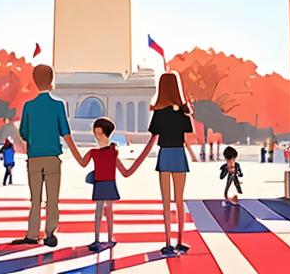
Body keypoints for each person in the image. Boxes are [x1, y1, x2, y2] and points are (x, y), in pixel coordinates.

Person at [12, 64, 81, 248]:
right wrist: (79, 156)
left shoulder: (29, 106)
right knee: (52, 198)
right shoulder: (58, 105)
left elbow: (24, 133)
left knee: (35, 199)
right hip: (52, 158)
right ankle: (50, 232)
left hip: (34, 158)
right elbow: (65, 133)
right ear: (51, 80)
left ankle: (32, 233)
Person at [142, 70, 199, 256]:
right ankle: (180, 241)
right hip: (179, 154)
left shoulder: (158, 113)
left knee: (166, 202)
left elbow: (153, 137)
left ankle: (167, 242)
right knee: (179, 200)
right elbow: (186, 136)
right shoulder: (183, 111)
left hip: (165, 154)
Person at [74, 117, 148, 253]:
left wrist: (141, 159)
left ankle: (109, 239)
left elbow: (125, 171)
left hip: (107, 183)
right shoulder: (95, 152)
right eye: (95, 134)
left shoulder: (112, 153)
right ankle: (97, 239)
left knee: (107, 211)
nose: (97, 137)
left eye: (99, 134)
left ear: (105, 134)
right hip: (100, 183)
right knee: (99, 211)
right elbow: (83, 162)